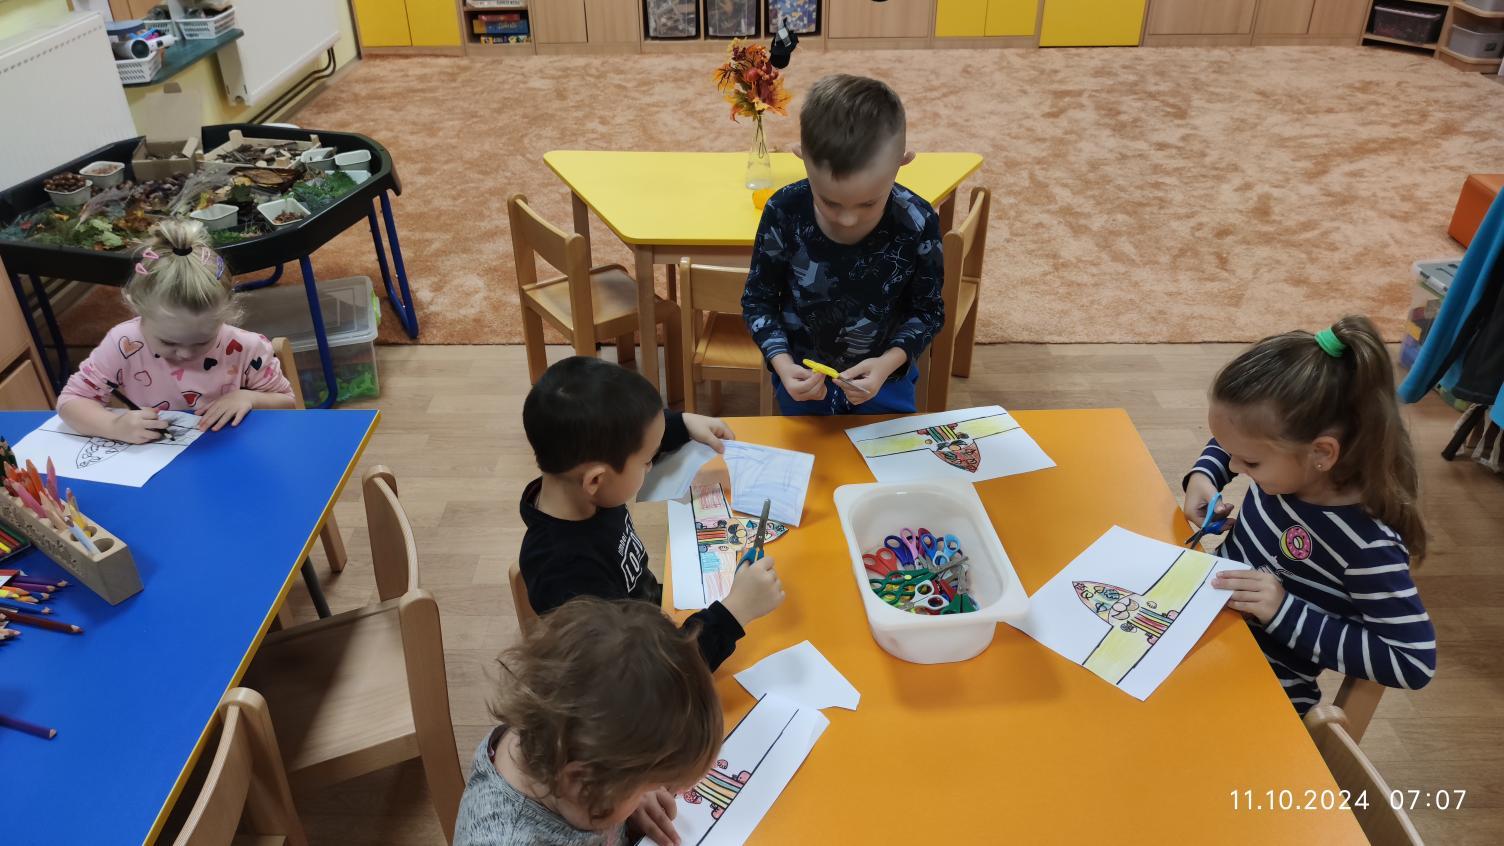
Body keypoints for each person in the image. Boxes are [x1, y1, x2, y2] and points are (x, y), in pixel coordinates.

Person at [1184, 316, 1436, 714]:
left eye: (1249, 461)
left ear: (1321, 453)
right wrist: (1205, 474)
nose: (1234, 466)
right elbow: (1234, 438)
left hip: (1260, 696)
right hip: (1198, 632)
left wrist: (1282, 610)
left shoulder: (1368, 548)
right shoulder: (1288, 472)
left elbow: (1413, 662)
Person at [519, 356, 784, 671]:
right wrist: (735, 613)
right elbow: (652, 675)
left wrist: (682, 423)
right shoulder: (569, 579)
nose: (651, 463)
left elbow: (627, 437)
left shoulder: (577, 482)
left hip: (650, 615)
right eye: (648, 460)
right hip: (646, 666)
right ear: (595, 480)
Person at [742, 73, 943, 415]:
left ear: (903, 161)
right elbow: (758, 301)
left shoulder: (917, 220)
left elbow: (927, 311)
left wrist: (887, 364)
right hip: (803, 381)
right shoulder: (783, 211)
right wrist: (782, 364)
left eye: (868, 203)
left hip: (886, 382)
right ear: (801, 156)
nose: (848, 219)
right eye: (830, 202)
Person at [455, 597, 722, 846]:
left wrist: (631, 795)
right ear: (582, 783)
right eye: (646, 787)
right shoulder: (505, 838)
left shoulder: (558, 737)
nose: (647, 794)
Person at [57, 220, 295, 440]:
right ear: (139, 310)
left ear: (225, 314)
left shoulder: (246, 348)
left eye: (202, 342)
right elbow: (71, 401)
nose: (185, 353)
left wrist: (249, 397)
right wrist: (113, 426)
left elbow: (287, 402)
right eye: (168, 342)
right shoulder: (124, 344)